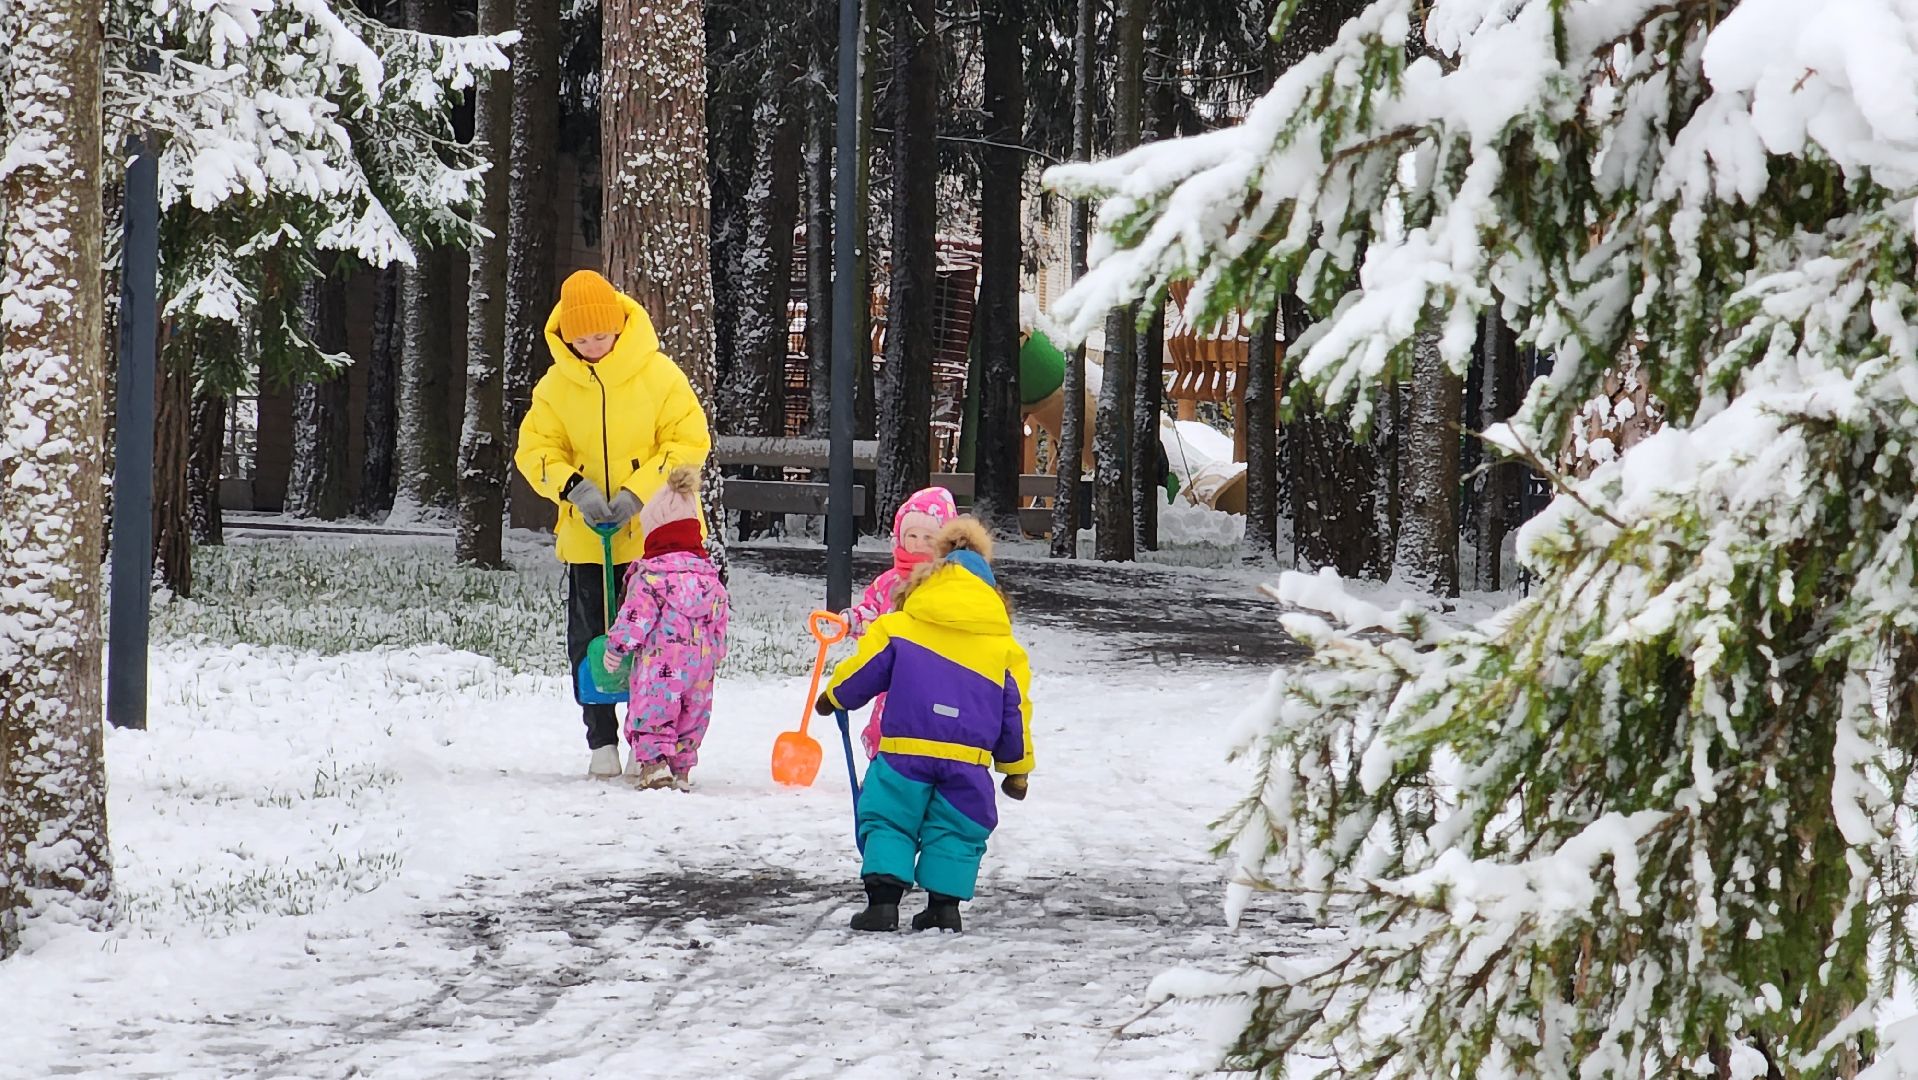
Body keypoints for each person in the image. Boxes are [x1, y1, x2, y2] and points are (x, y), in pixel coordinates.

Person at [514, 269, 712, 780]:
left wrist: (638, 493)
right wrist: (573, 487)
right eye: (581, 340)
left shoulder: (659, 375)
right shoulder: (555, 386)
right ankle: (600, 738)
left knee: (658, 645)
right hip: (588, 539)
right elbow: (536, 449)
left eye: (601, 336)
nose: (593, 347)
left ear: (619, 327)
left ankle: (655, 741)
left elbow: (687, 442)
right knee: (591, 640)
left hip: (657, 540)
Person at [815, 518, 1034, 933]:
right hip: (966, 760)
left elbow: (865, 670)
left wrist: (835, 697)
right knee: (957, 826)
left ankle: (882, 904)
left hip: (904, 750)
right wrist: (1016, 769)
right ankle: (943, 908)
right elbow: (1015, 713)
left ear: (934, 574)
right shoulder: (1004, 649)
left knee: (890, 816)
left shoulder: (902, 626)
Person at [602, 466, 729, 792]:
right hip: (700, 666)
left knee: (655, 706)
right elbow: (719, 623)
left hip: (661, 664)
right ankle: (682, 767)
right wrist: (715, 654)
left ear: (654, 534)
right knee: (693, 711)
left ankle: (655, 764)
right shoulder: (709, 578)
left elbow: (635, 618)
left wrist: (617, 647)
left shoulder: (650, 576)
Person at [843, 487, 959, 759]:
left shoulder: (947, 584)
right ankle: (881, 774)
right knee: (884, 726)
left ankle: (919, 775)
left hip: (931, 676)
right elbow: (873, 610)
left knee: (924, 730)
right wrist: (854, 620)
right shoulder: (889, 582)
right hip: (891, 675)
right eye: (912, 535)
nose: (918, 544)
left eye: (928, 538)